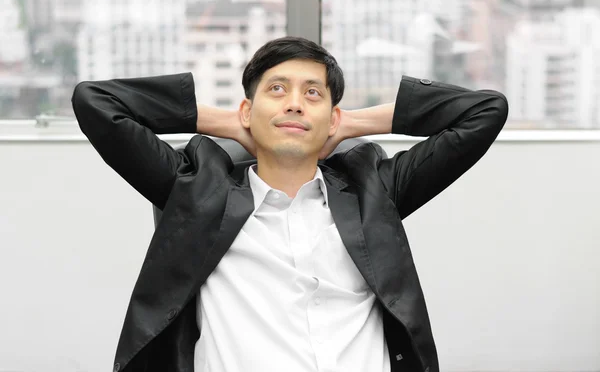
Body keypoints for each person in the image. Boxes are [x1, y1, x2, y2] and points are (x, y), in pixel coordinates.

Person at [71, 36, 508, 372]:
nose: (295, 104)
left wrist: (351, 122)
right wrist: (228, 121)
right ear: (248, 110)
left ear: (332, 117)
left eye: (313, 94)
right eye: (277, 90)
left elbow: (485, 111)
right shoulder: (195, 190)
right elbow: (95, 101)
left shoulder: (375, 190)